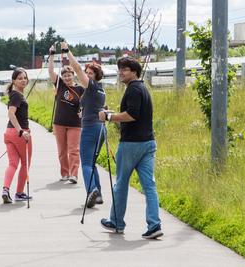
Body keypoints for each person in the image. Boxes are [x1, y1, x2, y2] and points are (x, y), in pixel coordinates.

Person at [99, 57, 163, 239]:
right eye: (120, 69)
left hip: (131, 144)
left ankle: (117, 222)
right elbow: (136, 114)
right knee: (149, 185)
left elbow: (132, 115)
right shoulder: (142, 88)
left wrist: (109, 118)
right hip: (148, 143)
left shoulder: (133, 89)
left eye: (125, 69)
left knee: (121, 184)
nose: (121, 73)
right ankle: (154, 224)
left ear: (134, 71)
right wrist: (111, 114)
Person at [60, 42, 105, 208]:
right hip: (100, 128)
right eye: (87, 73)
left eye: (89, 73)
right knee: (92, 162)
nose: (85, 75)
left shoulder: (91, 87)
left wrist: (67, 51)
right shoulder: (101, 90)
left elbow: (77, 68)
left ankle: (92, 190)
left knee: (85, 163)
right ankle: (98, 193)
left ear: (95, 76)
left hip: (90, 128)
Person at [48, 44, 84, 184]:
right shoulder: (60, 85)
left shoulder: (81, 89)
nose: (67, 78)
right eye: (64, 76)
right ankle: (65, 173)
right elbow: (51, 71)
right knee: (62, 151)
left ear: (73, 76)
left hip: (75, 124)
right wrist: (51, 54)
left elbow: (85, 105)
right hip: (59, 123)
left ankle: (73, 175)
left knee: (74, 150)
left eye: (69, 75)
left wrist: (83, 111)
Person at [2, 68, 33, 204]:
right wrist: (21, 131)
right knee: (25, 163)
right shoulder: (17, 95)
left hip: (9, 133)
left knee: (13, 163)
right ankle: (19, 193)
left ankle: (5, 190)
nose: (23, 80)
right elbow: (11, 113)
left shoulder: (15, 94)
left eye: (25, 77)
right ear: (14, 81)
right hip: (19, 133)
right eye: (19, 78)